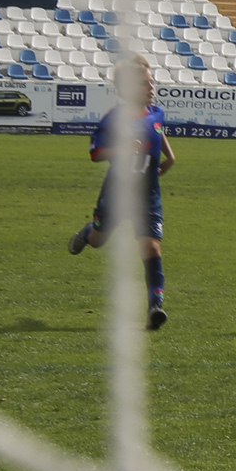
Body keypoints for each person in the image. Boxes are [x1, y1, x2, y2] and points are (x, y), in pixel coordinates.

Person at [67, 55, 174, 331]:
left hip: (148, 195)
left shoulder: (156, 112)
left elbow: (157, 130)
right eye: (144, 84)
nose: (151, 88)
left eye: (152, 83)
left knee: (151, 246)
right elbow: (95, 153)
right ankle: (87, 232)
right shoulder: (114, 119)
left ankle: (155, 307)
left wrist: (170, 156)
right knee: (99, 239)